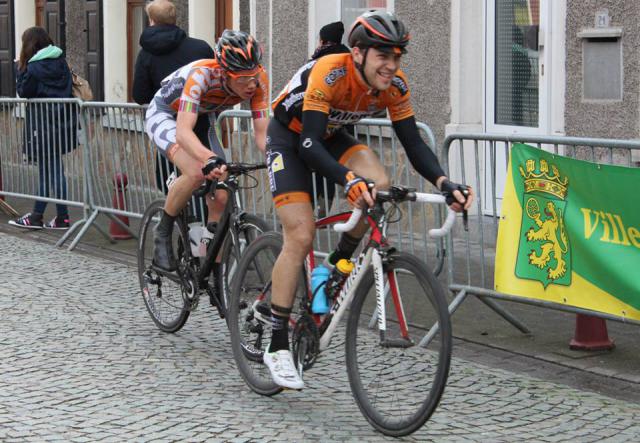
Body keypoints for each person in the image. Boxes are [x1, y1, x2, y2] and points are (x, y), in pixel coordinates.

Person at [262, 11, 474, 389]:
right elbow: (308, 144)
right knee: (300, 235)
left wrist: (444, 182)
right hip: (292, 138)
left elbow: (412, 142)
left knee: (379, 182)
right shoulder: (330, 71)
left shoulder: (395, 85)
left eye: (397, 57)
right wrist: (346, 179)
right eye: (383, 56)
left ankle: (340, 263)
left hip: (331, 135)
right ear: (358, 53)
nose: (392, 66)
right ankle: (277, 343)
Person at [145, 29, 269, 283]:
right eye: (243, 79)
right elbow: (182, 132)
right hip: (166, 116)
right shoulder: (202, 75)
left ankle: (208, 265)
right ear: (224, 73)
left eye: (254, 75)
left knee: (221, 198)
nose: (251, 84)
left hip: (203, 117)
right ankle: (163, 230)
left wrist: (280, 158)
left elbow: (262, 134)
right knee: (196, 172)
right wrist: (208, 159)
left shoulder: (259, 81)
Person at [131, 0, 214, 194]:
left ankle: (177, 220)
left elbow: (139, 94)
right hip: (200, 122)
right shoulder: (200, 48)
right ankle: (205, 220)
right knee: (209, 173)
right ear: (175, 19)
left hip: (167, 125)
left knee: (170, 179)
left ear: (151, 20)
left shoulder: (146, 55)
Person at [9, 26, 77, 230]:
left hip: (41, 125)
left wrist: (19, 70)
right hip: (61, 123)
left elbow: (24, 91)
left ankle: (52, 217)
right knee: (53, 171)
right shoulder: (61, 62)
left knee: (51, 172)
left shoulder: (32, 68)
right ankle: (48, 216)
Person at [309, 21, 351, 214]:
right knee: (332, 165)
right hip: (344, 122)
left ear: (324, 39)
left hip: (321, 119)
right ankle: (325, 205)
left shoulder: (321, 59)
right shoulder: (351, 57)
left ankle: (318, 207)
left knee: (318, 163)